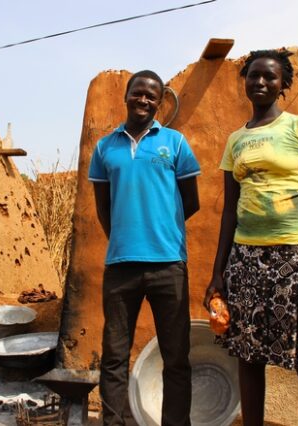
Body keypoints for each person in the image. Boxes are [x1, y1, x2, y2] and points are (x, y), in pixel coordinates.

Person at [203, 49, 298, 426]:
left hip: (297, 257)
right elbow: (230, 212)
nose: (261, 82)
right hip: (247, 260)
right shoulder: (235, 140)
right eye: (254, 75)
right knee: (249, 354)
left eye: (270, 76)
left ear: (284, 84)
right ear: (245, 81)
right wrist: (219, 272)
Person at [89, 69, 201, 426]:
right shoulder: (105, 147)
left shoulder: (176, 143)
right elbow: (103, 206)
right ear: (126, 96)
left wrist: (160, 229)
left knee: (176, 357)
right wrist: (124, 235)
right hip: (121, 266)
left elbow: (190, 202)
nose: (144, 100)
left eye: (152, 96)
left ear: (159, 102)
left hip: (169, 264)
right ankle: (113, 422)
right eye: (138, 93)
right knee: (114, 356)